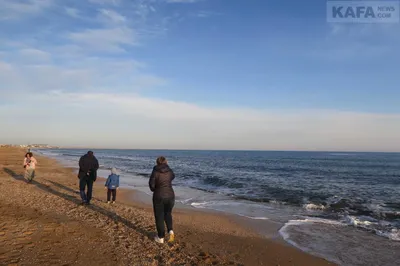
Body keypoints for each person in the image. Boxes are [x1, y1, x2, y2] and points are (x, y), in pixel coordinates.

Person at [149, 156, 175, 244]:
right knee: (168, 213)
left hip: (159, 196)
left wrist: (155, 189)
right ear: (166, 162)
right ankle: (170, 231)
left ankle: (161, 237)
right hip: (170, 195)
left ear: (157, 162)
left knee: (159, 216)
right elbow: (172, 177)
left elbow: (151, 185)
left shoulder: (155, 171)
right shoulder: (169, 170)